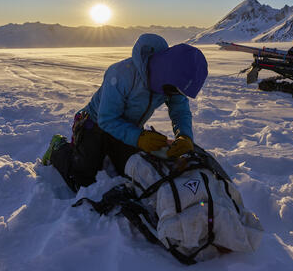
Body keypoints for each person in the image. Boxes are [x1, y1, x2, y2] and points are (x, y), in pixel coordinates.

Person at [42, 33, 208, 191]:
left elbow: (179, 110)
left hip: (129, 127)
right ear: (163, 73)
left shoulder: (170, 86)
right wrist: (138, 137)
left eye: (179, 92)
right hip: (94, 124)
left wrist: (184, 135)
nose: (173, 95)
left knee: (136, 172)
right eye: (173, 90)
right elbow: (107, 119)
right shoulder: (121, 74)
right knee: (83, 181)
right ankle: (58, 148)